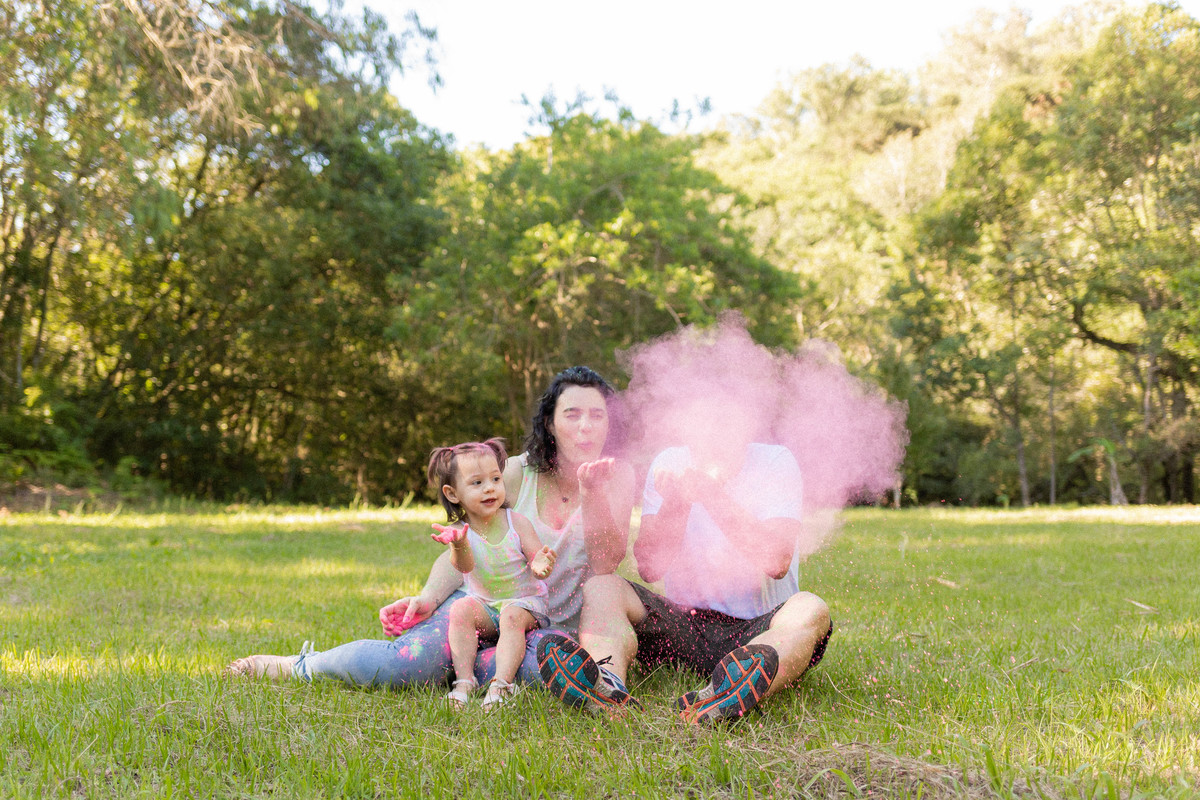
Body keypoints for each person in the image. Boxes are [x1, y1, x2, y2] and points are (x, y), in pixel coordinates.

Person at [226, 366, 635, 691]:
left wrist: (593, 492)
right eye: (572, 414)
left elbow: (604, 564)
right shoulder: (512, 474)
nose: (585, 426)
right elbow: (462, 544)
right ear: (550, 423)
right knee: (405, 664)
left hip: (537, 623)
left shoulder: (618, 479)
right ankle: (300, 666)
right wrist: (427, 596)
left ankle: (463, 665)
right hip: (475, 606)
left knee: (548, 671)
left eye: (597, 416)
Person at [537, 408, 833, 723]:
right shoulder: (670, 462)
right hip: (684, 626)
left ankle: (727, 691)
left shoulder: (775, 462)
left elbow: (776, 561)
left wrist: (710, 493)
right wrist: (676, 503)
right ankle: (606, 685)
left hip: (759, 630)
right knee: (602, 587)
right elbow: (651, 568)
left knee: (811, 609)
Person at [425, 438, 556, 709]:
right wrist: (459, 545)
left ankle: (501, 684)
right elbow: (464, 568)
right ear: (453, 494)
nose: (490, 488)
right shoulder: (463, 533)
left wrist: (541, 565)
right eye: (477, 483)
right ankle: (464, 681)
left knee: (510, 617)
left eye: (495, 479)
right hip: (486, 605)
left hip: (524, 603)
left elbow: (536, 561)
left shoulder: (516, 522)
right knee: (460, 609)